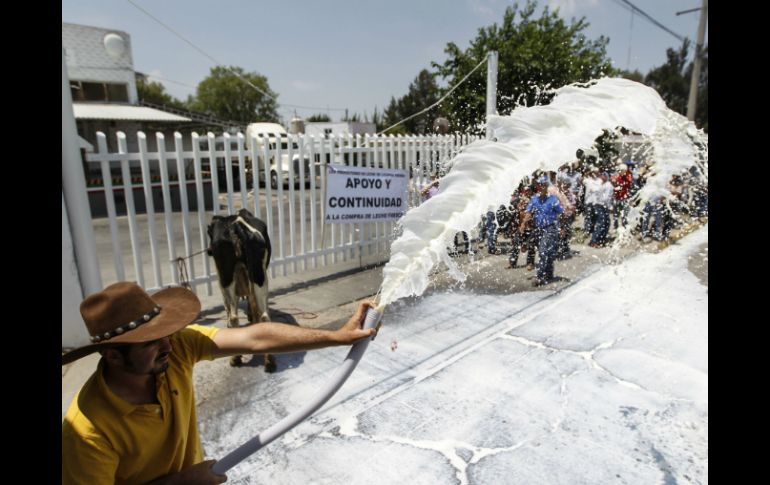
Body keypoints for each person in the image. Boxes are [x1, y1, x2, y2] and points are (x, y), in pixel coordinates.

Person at [62, 282, 376, 485]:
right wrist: (184, 482)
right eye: (151, 344)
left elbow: (255, 337)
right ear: (113, 356)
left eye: (167, 337)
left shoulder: (174, 352)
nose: (169, 348)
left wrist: (336, 336)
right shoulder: (88, 430)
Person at [520, 176, 564, 286]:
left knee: (544, 250)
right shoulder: (534, 199)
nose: (541, 187)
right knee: (547, 252)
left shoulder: (553, 199)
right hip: (539, 229)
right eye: (539, 185)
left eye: (543, 185)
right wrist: (523, 224)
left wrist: (562, 228)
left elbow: (561, 214)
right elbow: (529, 212)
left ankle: (540, 276)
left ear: (547, 187)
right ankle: (549, 273)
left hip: (551, 228)